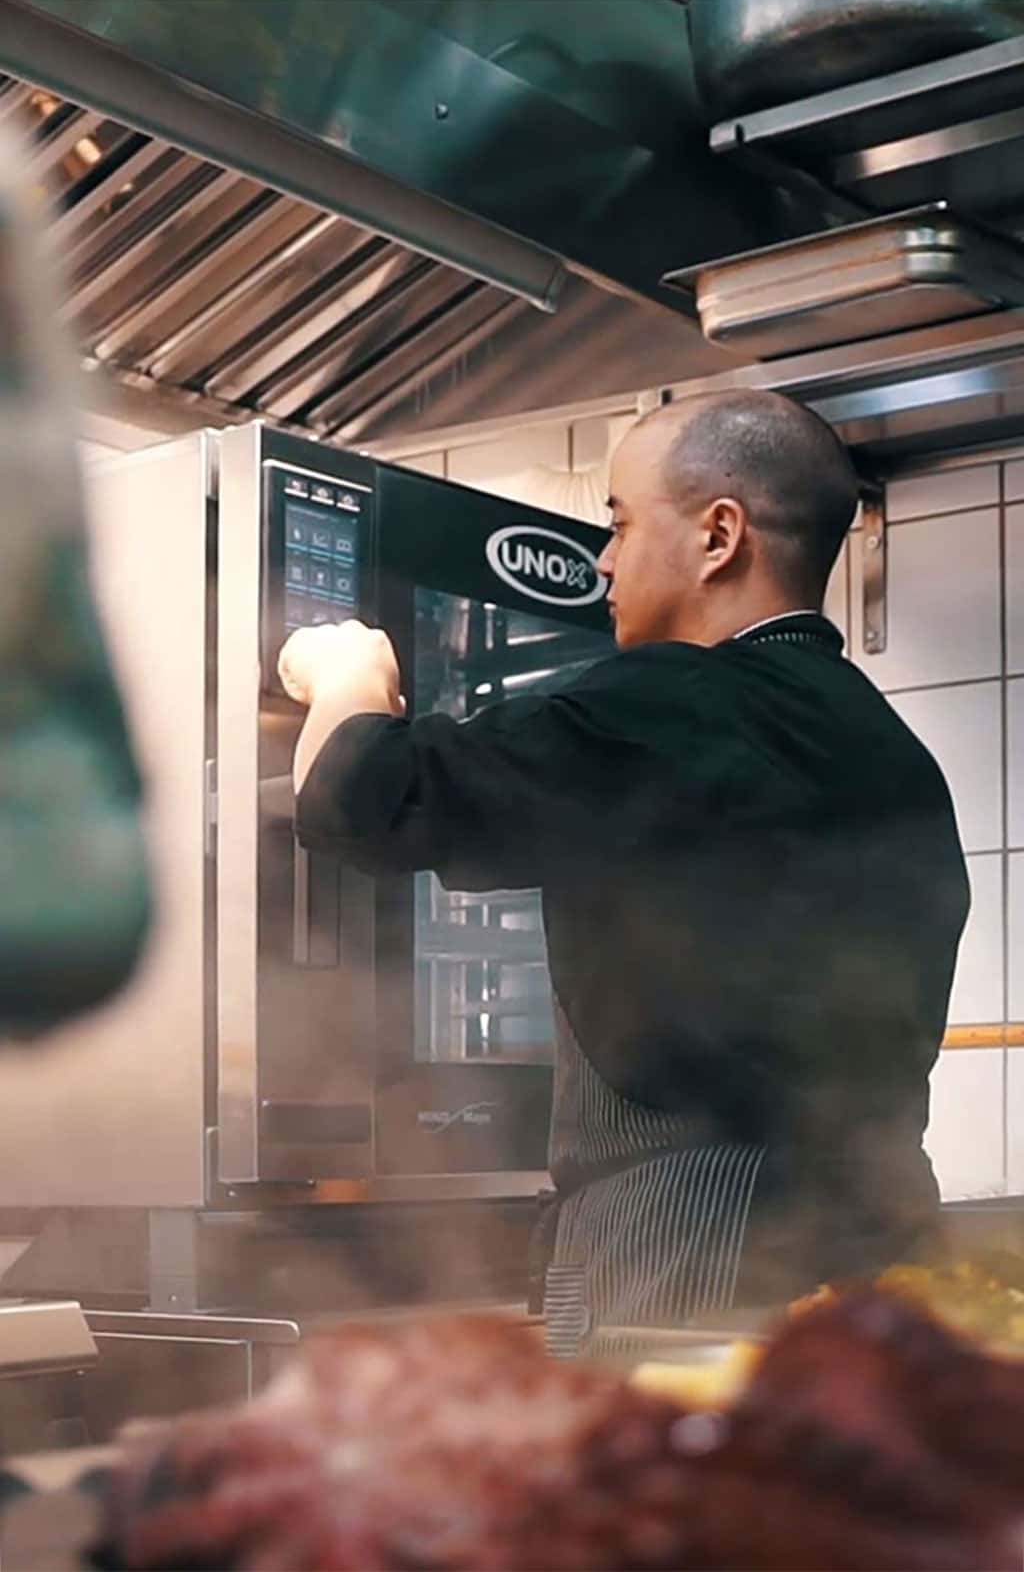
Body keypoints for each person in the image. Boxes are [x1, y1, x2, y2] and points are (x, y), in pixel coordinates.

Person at [280, 391, 969, 1348]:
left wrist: (344, 670)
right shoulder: (889, 748)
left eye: (619, 522)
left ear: (718, 534)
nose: (602, 560)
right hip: (891, 1254)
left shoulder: (677, 702)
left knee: (672, 1492)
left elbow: (363, 800)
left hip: (696, 1250)